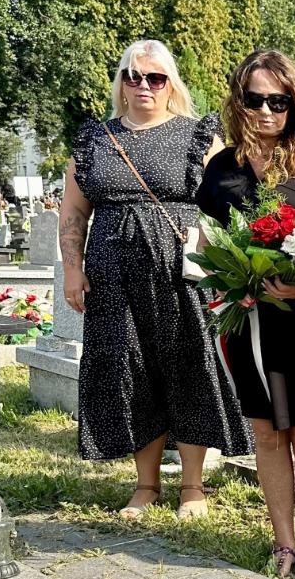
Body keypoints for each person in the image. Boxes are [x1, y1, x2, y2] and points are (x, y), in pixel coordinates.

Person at [61, 40, 251, 516]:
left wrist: (223, 260)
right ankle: (146, 485)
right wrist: (71, 269)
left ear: (170, 84)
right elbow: (73, 213)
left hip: (180, 272)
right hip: (112, 276)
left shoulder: (199, 136)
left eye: (155, 77)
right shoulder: (95, 141)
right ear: (121, 84)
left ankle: (192, 486)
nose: (143, 85)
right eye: (133, 76)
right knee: (131, 369)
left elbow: (230, 205)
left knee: (188, 366)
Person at [197, 50, 295, 579]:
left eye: (278, 101)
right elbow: (207, 245)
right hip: (250, 320)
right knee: (266, 434)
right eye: (254, 99)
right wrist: (232, 283)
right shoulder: (223, 169)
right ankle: (283, 542)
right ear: (238, 102)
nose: (266, 111)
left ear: (294, 103)